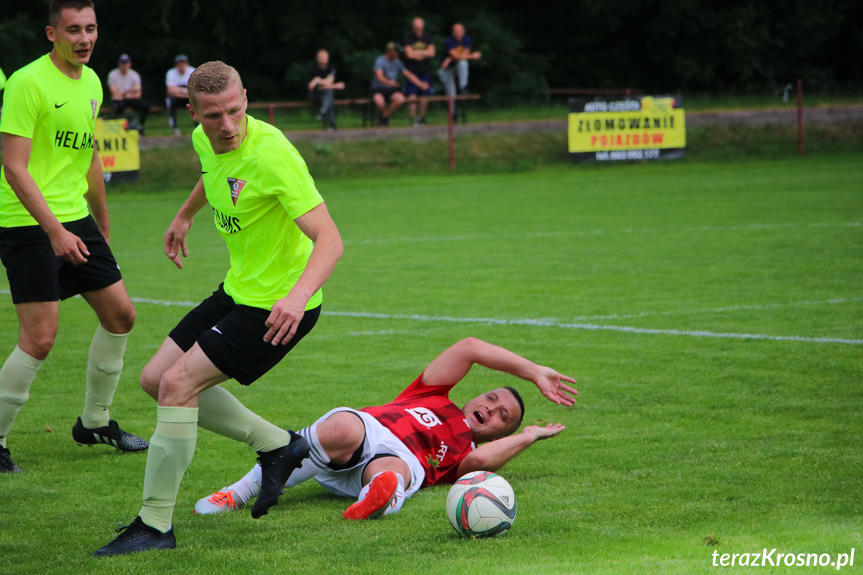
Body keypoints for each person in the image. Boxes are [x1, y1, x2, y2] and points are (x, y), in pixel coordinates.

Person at [94, 60, 344, 557]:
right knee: (154, 380)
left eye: (234, 112)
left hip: (276, 308)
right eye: (212, 116)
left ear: (246, 98)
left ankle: (155, 523)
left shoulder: (274, 155)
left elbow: (331, 240)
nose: (226, 126)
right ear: (192, 112)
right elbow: (215, 173)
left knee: (176, 386)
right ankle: (279, 444)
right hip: (237, 291)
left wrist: (294, 298)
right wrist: (185, 215)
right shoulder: (205, 140)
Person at [193, 337, 577, 521]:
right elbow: (470, 348)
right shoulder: (433, 393)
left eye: (502, 417)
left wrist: (527, 436)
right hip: (367, 432)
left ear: (498, 434)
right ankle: (236, 494)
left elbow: (479, 461)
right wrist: (533, 371)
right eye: (491, 399)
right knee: (342, 425)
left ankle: (381, 498)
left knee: (394, 472)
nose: (491, 409)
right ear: (477, 394)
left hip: (399, 463)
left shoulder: (465, 452)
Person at [0, 0, 147, 475]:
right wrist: (54, 231)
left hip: (75, 219)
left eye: (91, 29)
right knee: (40, 339)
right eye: (73, 30)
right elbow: (13, 166)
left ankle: (95, 422)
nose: (84, 38)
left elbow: (87, 158)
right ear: (51, 33)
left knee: (121, 316)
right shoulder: (27, 83)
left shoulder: (91, 83)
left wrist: (99, 222)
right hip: (27, 222)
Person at [370, 42, 429, 126]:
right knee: (380, 102)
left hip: (390, 89)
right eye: (397, 51)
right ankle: (384, 117)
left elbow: (408, 74)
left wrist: (420, 84)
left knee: (401, 99)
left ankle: (384, 116)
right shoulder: (380, 60)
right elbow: (379, 76)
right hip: (378, 88)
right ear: (390, 51)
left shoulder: (397, 62)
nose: (399, 53)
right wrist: (389, 82)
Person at [438, 22, 481, 120]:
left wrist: (449, 59)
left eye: (460, 31)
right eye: (456, 31)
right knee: (451, 93)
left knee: (463, 63)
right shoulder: (449, 41)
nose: (458, 33)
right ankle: (453, 115)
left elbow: (462, 57)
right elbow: (457, 56)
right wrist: (473, 56)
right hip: (446, 70)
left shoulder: (467, 39)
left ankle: (463, 87)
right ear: (453, 32)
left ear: (463, 32)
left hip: (456, 66)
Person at [402, 17, 436, 126]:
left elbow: (432, 53)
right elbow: (409, 54)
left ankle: (421, 117)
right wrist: (424, 52)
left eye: (420, 28)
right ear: (413, 27)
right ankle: (412, 118)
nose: (418, 30)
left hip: (425, 70)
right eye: (417, 28)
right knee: (412, 94)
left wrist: (416, 52)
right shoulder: (408, 37)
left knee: (424, 94)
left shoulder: (428, 37)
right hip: (412, 71)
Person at [107, 53, 150, 134]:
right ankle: (119, 128)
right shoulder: (113, 75)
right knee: (119, 106)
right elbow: (115, 94)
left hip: (130, 99)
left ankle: (141, 126)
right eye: (122, 63)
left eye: (126, 63)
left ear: (129, 64)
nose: (124, 65)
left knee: (146, 106)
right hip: (120, 100)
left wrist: (124, 94)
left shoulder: (134, 75)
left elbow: (138, 93)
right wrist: (130, 92)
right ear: (119, 64)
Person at [307, 49, 345, 131]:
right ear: (317, 58)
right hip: (315, 95)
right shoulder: (313, 69)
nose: (323, 59)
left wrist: (318, 80)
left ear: (328, 58)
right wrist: (336, 85)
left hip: (325, 95)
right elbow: (311, 86)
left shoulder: (331, 67)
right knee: (329, 96)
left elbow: (328, 82)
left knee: (329, 94)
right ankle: (331, 124)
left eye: (325, 57)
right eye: (321, 57)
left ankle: (323, 112)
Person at [165, 54, 195, 136]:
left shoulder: (193, 71)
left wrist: (178, 91)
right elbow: (171, 91)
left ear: (187, 64)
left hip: (188, 98)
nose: (181, 66)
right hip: (176, 99)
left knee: (196, 102)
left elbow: (195, 90)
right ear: (176, 65)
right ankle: (174, 127)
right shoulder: (171, 73)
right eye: (179, 64)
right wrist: (186, 91)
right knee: (171, 102)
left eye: (183, 64)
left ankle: (197, 125)